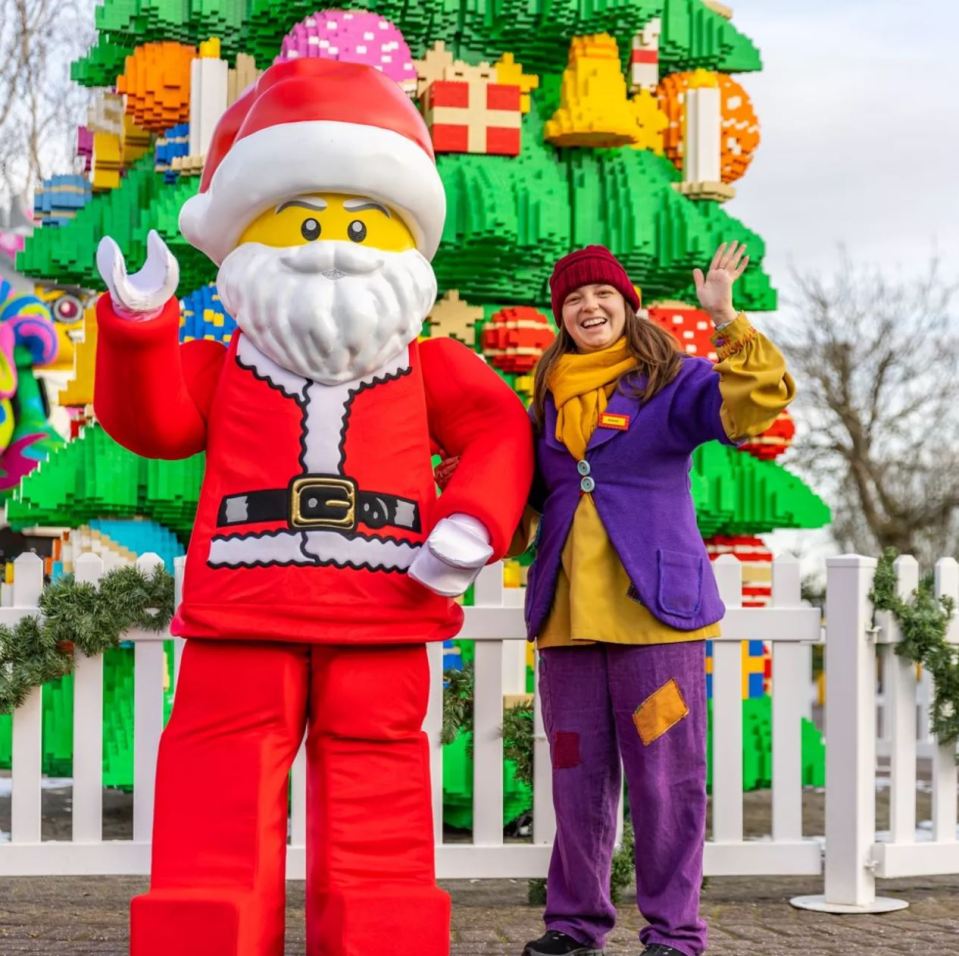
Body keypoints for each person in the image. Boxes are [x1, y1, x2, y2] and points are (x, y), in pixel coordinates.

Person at [93, 57, 533, 956]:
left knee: (377, 778)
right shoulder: (228, 359)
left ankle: (377, 925)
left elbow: (498, 430)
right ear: (244, 234)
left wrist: (472, 520)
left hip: (384, 603)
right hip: (242, 609)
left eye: (359, 222)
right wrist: (139, 333)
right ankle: (207, 922)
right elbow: (157, 424)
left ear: (402, 241)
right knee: (218, 774)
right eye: (303, 218)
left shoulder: (427, 366)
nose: (331, 244)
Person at [520, 242, 795, 956]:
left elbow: (757, 396)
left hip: (654, 620)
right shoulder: (544, 394)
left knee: (665, 779)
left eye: (602, 295)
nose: (589, 307)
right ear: (561, 315)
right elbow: (518, 492)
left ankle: (674, 931)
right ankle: (574, 925)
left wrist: (725, 317)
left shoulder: (671, 383)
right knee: (576, 780)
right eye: (574, 299)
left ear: (626, 302)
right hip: (567, 623)